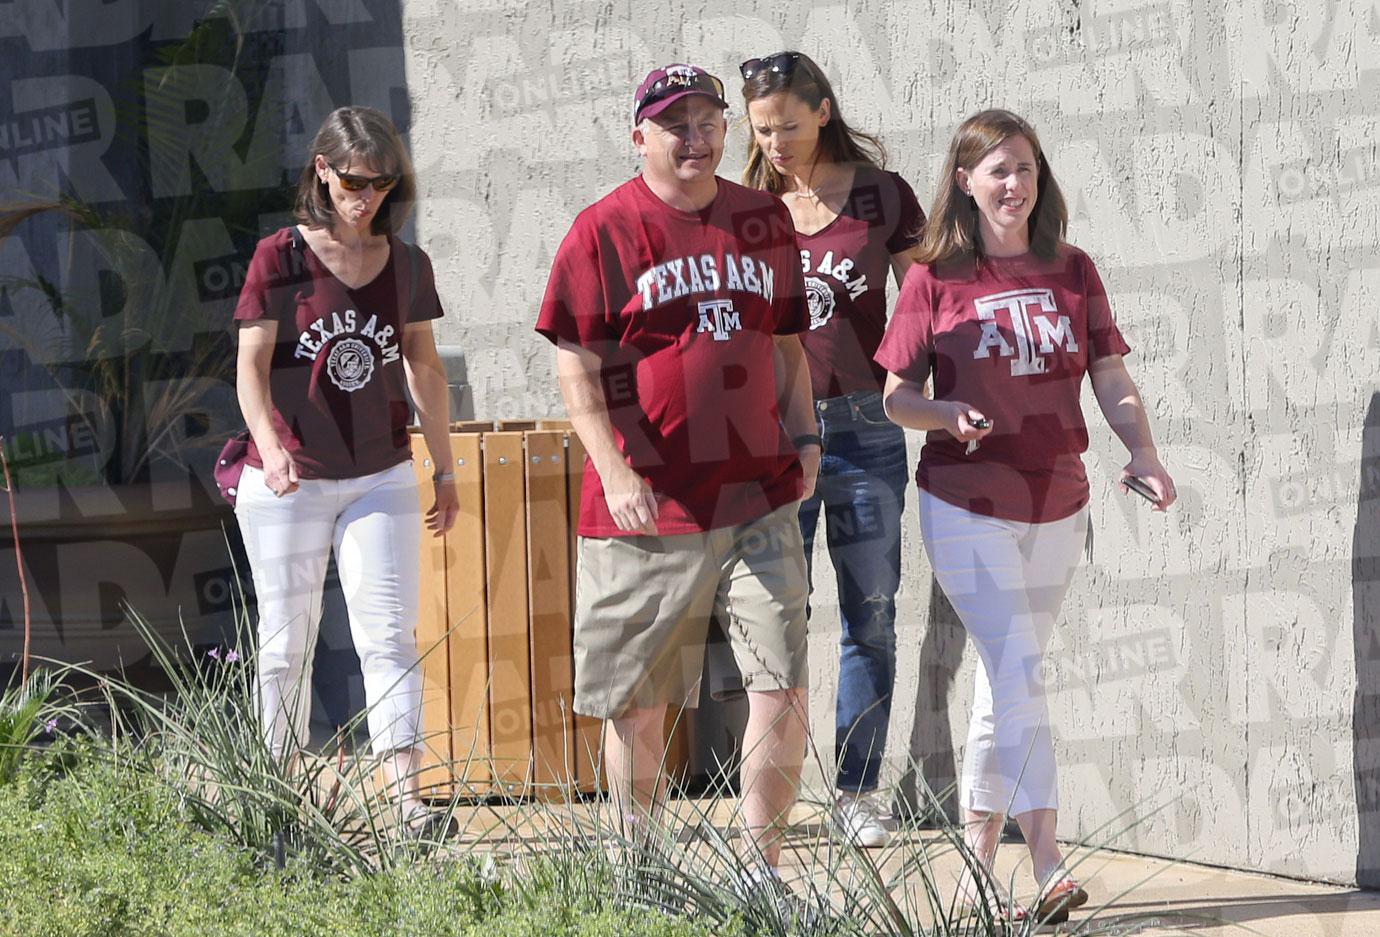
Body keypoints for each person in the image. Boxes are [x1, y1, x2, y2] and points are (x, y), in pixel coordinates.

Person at [874, 109, 1176, 923]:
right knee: (1020, 671)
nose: (1015, 184)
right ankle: (1046, 858)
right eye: (998, 170)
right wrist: (946, 415)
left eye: (1027, 169)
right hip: (965, 502)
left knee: (1007, 683)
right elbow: (896, 396)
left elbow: (1109, 373)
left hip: (1058, 502)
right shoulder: (933, 279)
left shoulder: (1072, 269)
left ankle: (972, 869)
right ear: (965, 181)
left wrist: (1142, 449)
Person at [534, 64, 818, 889]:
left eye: (707, 123)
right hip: (647, 508)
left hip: (759, 493)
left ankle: (760, 870)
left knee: (783, 687)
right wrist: (615, 469)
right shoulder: (604, 230)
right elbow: (577, 370)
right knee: (641, 702)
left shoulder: (763, 219)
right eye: (674, 125)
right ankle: (639, 868)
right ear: (640, 138)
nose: (695, 139)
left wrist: (807, 436)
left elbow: (786, 342)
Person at [233, 105, 458, 830]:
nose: (369, 197)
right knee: (286, 638)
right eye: (357, 181)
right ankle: (275, 794)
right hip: (289, 473)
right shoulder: (280, 257)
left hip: (379, 469)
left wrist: (445, 470)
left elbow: (424, 366)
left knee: (388, 633)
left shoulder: (407, 263)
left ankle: (409, 802)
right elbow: (250, 368)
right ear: (323, 171)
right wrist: (270, 451)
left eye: (384, 183)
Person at [740, 50, 924, 849]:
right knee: (773, 615)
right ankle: (761, 801)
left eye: (787, 123)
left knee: (870, 612)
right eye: (761, 129)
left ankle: (856, 791)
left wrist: (906, 382)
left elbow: (924, 297)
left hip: (866, 430)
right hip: (774, 433)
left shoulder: (883, 195)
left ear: (822, 109)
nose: (776, 141)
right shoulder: (745, 206)